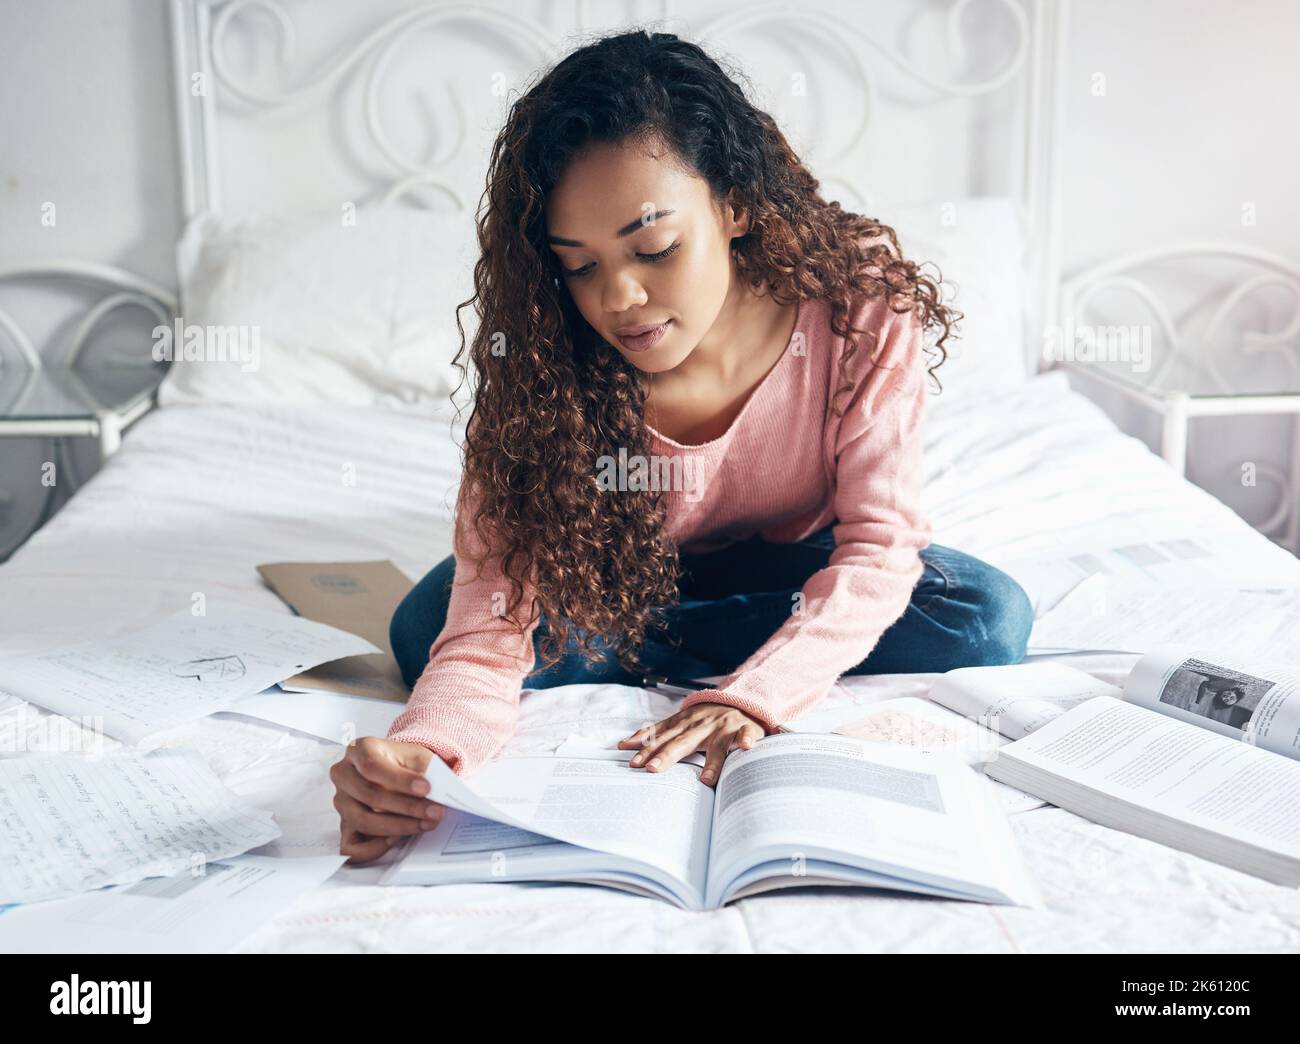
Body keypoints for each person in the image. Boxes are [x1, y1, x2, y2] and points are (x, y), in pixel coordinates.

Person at [330, 28, 1034, 864]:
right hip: (609, 569)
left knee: (986, 616)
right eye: (579, 266)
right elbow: (487, 626)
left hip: (795, 565)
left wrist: (760, 694)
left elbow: (881, 544)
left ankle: (677, 647)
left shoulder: (857, 300)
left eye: (653, 247)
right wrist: (422, 756)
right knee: (427, 631)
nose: (620, 297)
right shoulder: (545, 354)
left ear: (734, 204)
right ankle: (708, 638)